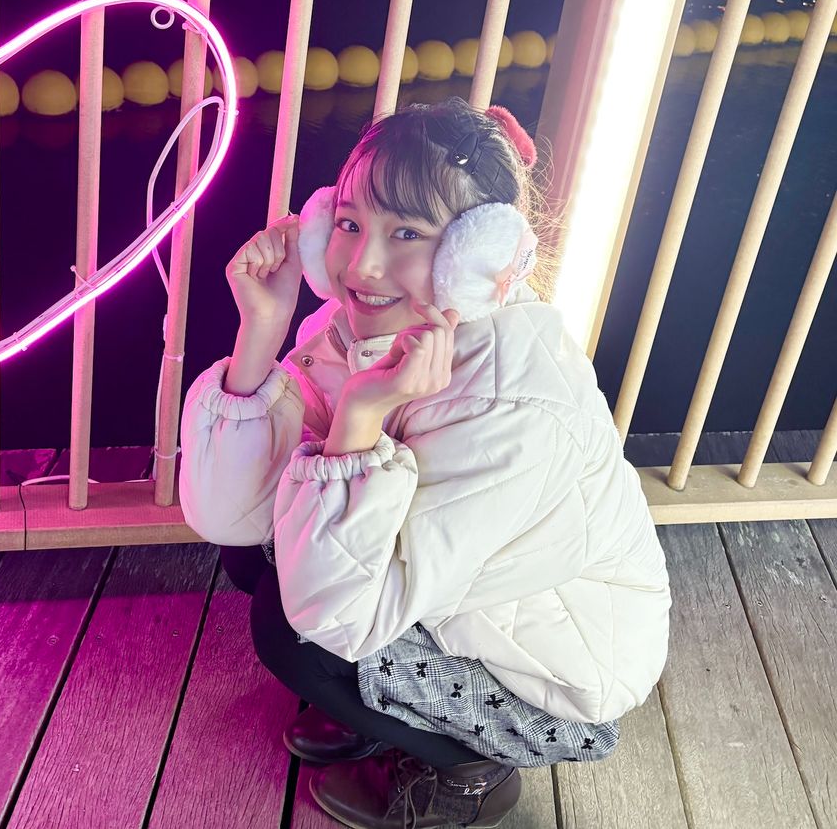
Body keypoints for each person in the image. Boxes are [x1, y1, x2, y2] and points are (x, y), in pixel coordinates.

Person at [178, 97, 671, 829]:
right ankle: (383, 715)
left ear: (478, 257)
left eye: (406, 232)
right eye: (350, 223)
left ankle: (470, 775)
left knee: (293, 632)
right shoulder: (366, 322)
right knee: (261, 548)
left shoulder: (516, 408)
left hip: (555, 677)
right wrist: (262, 331)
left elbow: (334, 611)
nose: (362, 264)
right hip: (454, 600)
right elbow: (234, 512)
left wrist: (361, 417)